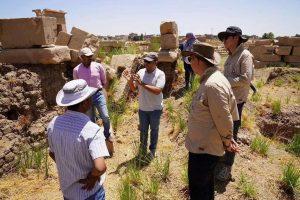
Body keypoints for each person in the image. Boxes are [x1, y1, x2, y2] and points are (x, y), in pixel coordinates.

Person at [182, 42, 239, 200]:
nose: (190, 63)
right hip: (203, 146)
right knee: (205, 188)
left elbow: (224, 118)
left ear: (199, 60)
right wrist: (228, 137)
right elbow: (231, 111)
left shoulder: (212, 85)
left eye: (190, 59)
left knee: (199, 190)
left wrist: (228, 141)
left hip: (204, 150)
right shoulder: (213, 80)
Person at [47, 79, 109, 200]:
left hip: (68, 193)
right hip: (90, 193)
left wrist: (68, 165)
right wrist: (92, 177)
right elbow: (100, 167)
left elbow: (51, 153)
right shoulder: (92, 130)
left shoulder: (53, 124)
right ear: (85, 102)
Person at [216, 26, 254, 181]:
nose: (224, 41)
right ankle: (220, 159)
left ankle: (227, 168)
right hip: (227, 99)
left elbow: (246, 79)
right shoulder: (231, 56)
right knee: (222, 130)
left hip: (236, 102)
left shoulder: (245, 56)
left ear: (236, 38)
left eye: (226, 38)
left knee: (231, 134)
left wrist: (224, 81)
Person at [73, 47, 114, 155]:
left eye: (90, 57)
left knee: (105, 116)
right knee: (90, 121)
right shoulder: (76, 70)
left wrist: (104, 94)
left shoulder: (98, 66)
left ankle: (106, 134)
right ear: (81, 57)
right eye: (86, 57)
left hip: (98, 94)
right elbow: (76, 86)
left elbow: (104, 81)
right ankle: (94, 141)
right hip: (86, 98)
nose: (88, 59)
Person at [126, 52, 165, 158]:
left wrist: (142, 83)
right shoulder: (141, 71)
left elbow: (158, 90)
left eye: (149, 62)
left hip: (155, 109)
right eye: (145, 61)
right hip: (143, 108)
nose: (146, 64)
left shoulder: (160, 74)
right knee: (143, 131)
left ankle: (152, 150)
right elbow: (134, 89)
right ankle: (142, 150)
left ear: (156, 62)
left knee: (154, 130)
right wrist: (130, 81)